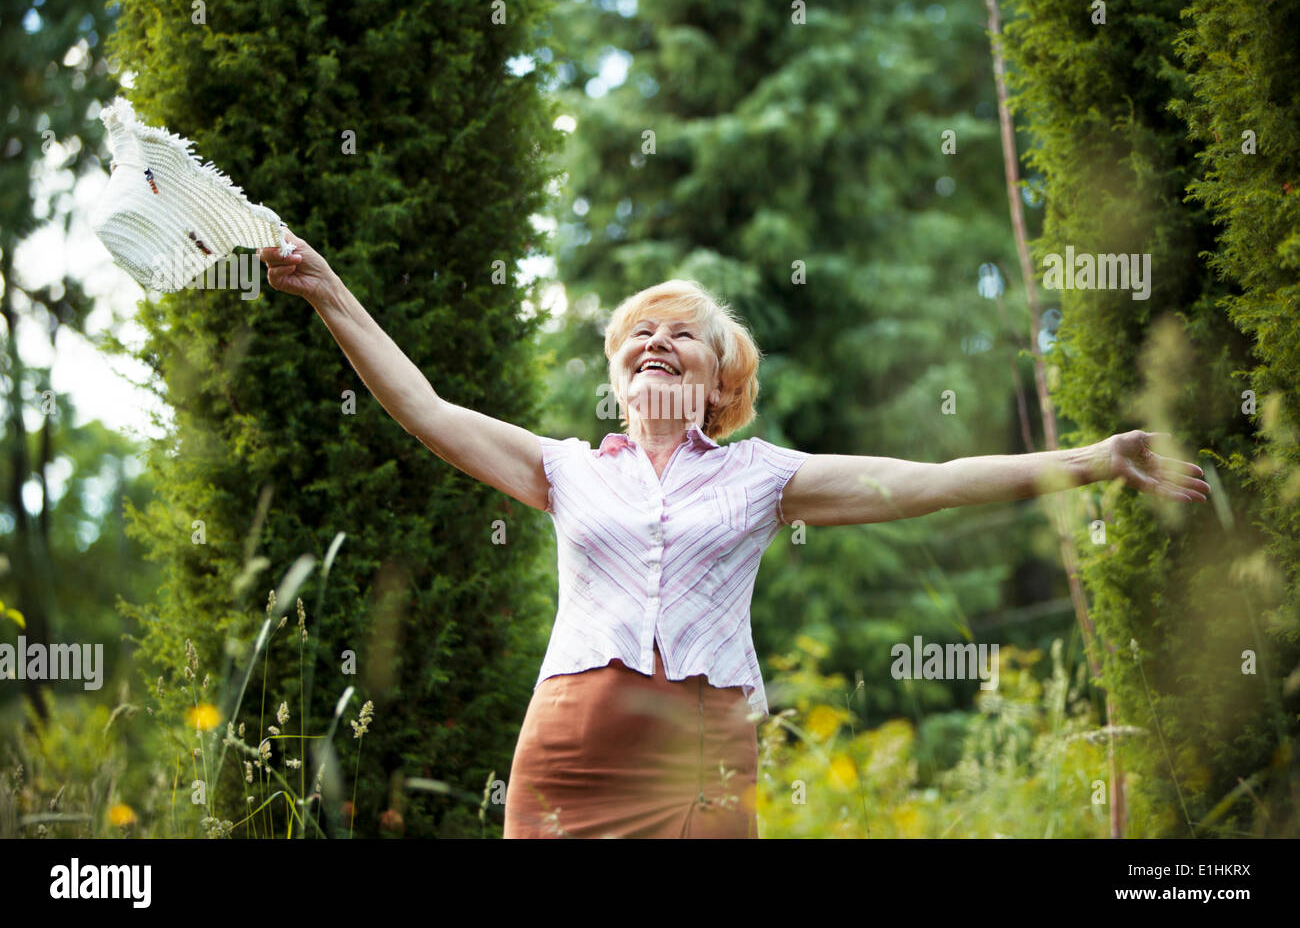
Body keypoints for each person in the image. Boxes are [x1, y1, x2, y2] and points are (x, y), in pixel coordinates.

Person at [261, 232, 1210, 838]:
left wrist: (1093, 456)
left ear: (722, 379)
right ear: (619, 374)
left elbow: (927, 485)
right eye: (640, 333)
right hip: (570, 754)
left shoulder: (764, 477)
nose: (658, 340)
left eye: (683, 331)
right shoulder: (565, 468)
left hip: (703, 754)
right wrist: (328, 290)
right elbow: (424, 406)